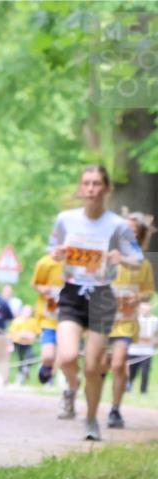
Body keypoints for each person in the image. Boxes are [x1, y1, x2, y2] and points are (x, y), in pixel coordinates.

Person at [49, 164, 142, 441]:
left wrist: (120, 258)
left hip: (102, 296)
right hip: (72, 292)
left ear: (106, 188)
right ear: (80, 187)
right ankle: (71, 386)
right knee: (66, 357)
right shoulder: (65, 219)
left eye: (96, 183)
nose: (90, 188)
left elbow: (137, 259)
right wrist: (57, 253)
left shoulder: (117, 225)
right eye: (86, 183)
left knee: (93, 366)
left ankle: (90, 419)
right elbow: (52, 249)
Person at [106, 213, 154, 427]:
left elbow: (148, 291)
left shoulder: (143, 264)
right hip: (101, 319)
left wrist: (138, 297)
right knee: (97, 366)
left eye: (133, 231)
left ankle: (115, 410)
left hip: (125, 319)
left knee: (118, 364)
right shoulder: (105, 255)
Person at [31, 252, 64, 384]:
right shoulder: (46, 262)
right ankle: (46, 366)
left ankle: (61, 379)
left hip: (69, 319)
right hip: (49, 318)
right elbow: (35, 283)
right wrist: (42, 289)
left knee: (64, 357)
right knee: (48, 355)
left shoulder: (77, 265)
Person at [128, 300, 156, 394]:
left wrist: (153, 340)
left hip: (147, 352)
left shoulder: (155, 320)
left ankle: (143, 391)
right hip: (134, 351)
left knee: (145, 372)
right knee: (132, 372)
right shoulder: (134, 319)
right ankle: (128, 386)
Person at [8, 304, 39, 384]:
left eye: (29, 311)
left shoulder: (33, 321)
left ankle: (25, 369)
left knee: (30, 357)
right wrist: (21, 334)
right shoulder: (17, 321)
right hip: (18, 343)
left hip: (28, 344)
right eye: (26, 311)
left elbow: (36, 332)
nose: (27, 313)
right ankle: (20, 377)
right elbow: (11, 333)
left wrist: (32, 335)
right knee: (20, 360)